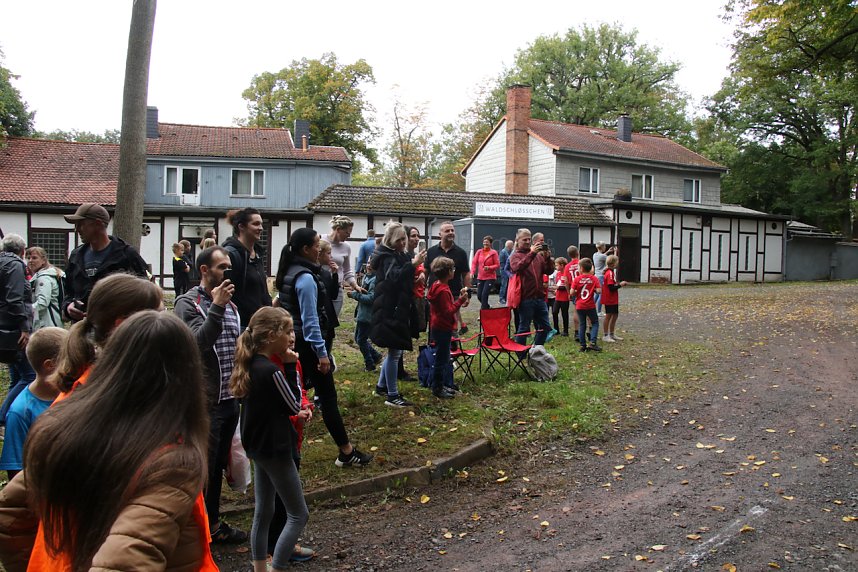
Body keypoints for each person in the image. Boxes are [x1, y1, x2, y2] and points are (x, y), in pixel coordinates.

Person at [0, 311, 215, 571]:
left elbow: (9, 514)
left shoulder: (67, 425)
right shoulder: (171, 462)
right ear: (188, 374)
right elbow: (126, 560)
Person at [275, 228, 372, 467]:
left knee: (295, 396)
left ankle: (287, 452)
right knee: (327, 398)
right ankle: (346, 452)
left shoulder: (290, 270)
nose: (321, 247)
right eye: (317, 244)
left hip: (292, 342)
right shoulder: (306, 278)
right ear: (307, 250)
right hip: (307, 345)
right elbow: (310, 321)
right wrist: (322, 353)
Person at [173, 245, 248, 545]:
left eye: (228, 267)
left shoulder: (232, 305)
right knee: (201, 468)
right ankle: (195, 531)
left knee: (217, 466)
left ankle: (211, 524)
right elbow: (196, 344)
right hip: (205, 403)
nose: (226, 273)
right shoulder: (187, 303)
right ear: (204, 270)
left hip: (230, 400)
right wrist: (215, 307)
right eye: (220, 267)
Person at [229, 307, 312, 572]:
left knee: (263, 512)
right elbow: (292, 403)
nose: (291, 337)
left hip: (257, 448)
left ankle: (259, 568)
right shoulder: (271, 371)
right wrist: (289, 365)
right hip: (276, 449)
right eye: (287, 331)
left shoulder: (250, 364)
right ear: (270, 336)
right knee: (299, 514)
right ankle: (276, 566)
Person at [53, 273, 164, 400]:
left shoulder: (131, 378)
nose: (166, 322)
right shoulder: (98, 394)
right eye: (158, 315)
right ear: (123, 325)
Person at [62, 203, 149, 322]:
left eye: (81, 224)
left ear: (98, 224)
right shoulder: (76, 256)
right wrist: (68, 307)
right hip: (82, 331)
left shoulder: (126, 255)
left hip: (116, 332)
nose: (77, 230)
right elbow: (68, 292)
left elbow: (145, 293)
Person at [0, 327, 67, 481]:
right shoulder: (21, 411)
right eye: (70, 359)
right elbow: (16, 472)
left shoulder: (74, 392)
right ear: (50, 365)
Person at [371, 222, 425, 407]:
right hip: (390, 309)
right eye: (400, 239)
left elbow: (400, 277)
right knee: (394, 352)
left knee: (394, 351)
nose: (404, 242)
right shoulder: (388, 257)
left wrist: (414, 275)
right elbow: (393, 277)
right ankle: (392, 395)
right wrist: (413, 265)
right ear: (391, 240)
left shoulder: (397, 254)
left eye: (405, 238)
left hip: (395, 307)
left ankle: (381, 387)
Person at [0, 234, 34, 435]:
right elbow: (14, 298)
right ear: (22, 251)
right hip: (12, 328)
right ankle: (4, 417)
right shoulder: (14, 266)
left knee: (16, 375)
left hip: (4, 326)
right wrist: (23, 327)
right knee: (29, 375)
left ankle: (8, 414)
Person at [426, 257, 468, 399]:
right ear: (448, 272)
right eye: (453, 269)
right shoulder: (443, 290)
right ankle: (437, 387)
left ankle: (441, 383)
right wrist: (461, 300)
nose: (454, 271)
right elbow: (448, 311)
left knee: (443, 357)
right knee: (441, 358)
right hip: (443, 328)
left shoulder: (436, 285)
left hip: (437, 326)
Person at [223, 207, 272, 328]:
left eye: (261, 224)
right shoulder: (231, 255)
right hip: (241, 326)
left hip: (260, 324)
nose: (260, 228)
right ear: (241, 227)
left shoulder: (258, 254)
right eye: (255, 224)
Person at [508, 228, 553, 348]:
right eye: (524, 239)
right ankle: (521, 354)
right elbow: (517, 268)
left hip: (539, 297)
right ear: (517, 240)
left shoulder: (538, 256)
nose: (528, 242)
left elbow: (548, 271)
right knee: (524, 328)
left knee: (544, 327)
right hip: (525, 298)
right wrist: (532, 253)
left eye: (529, 239)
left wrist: (548, 259)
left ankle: (536, 350)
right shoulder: (515, 256)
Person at [426, 221, 471, 334]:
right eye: (447, 231)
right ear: (440, 234)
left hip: (454, 293)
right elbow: (426, 271)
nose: (451, 233)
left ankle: (452, 346)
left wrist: (467, 293)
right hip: (435, 294)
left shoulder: (461, 253)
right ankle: (434, 345)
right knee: (435, 322)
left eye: (452, 230)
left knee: (451, 325)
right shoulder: (431, 252)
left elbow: (466, 273)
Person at [327, 215, 365, 317]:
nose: (348, 236)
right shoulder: (321, 240)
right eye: (347, 233)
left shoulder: (346, 247)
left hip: (337, 288)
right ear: (338, 229)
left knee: (332, 321)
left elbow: (347, 270)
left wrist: (355, 286)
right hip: (321, 286)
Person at [348, 271, 383, 372]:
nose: (368, 265)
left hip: (368, 316)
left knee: (361, 339)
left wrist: (355, 295)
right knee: (358, 338)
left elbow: (371, 298)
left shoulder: (375, 280)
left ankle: (370, 364)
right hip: (362, 314)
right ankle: (376, 356)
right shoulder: (367, 278)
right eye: (367, 262)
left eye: (371, 263)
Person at [27, 247, 64, 330]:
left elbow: (42, 302)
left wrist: (26, 309)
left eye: (34, 258)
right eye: (28, 258)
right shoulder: (45, 275)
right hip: (51, 323)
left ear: (43, 260)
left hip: (47, 324)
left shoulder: (43, 278)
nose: (30, 261)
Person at [572, 258, 602, 352]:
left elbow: (572, 292)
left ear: (581, 268)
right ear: (590, 269)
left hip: (580, 305)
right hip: (590, 305)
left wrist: (577, 291)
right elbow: (599, 291)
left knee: (582, 324)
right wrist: (593, 290)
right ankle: (592, 342)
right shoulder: (594, 278)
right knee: (595, 323)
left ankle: (582, 345)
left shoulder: (577, 279)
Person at [317, 239, 340, 355]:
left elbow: (334, 295)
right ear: (319, 254)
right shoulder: (312, 273)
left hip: (328, 317)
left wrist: (335, 274)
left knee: (328, 349)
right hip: (320, 318)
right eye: (328, 253)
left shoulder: (326, 273)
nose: (331, 256)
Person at [601, 254, 628, 343]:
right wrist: (620, 285)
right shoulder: (609, 273)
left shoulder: (611, 272)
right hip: (609, 299)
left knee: (615, 315)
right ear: (613, 263)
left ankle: (612, 333)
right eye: (617, 261)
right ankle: (605, 334)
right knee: (608, 316)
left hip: (613, 299)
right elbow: (611, 287)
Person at [471, 235, 499, 310]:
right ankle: (487, 307)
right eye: (484, 242)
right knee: (479, 296)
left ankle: (483, 313)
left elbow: (497, 265)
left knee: (484, 295)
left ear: (490, 243)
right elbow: (474, 262)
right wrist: (472, 272)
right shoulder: (479, 252)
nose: (485, 244)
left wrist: (489, 267)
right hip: (480, 277)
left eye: (487, 243)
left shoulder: (493, 253)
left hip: (490, 277)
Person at [593, 241, 615, 315]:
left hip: (596, 276)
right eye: (605, 246)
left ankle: (591, 308)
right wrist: (615, 252)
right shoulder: (603, 257)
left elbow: (602, 256)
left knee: (596, 294)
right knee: (601, 294)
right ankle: (599, 311)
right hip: (601, 276)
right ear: (602, 247)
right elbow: (611, 260)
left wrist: (608, 251)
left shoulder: (595, 255)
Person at [564, 246, 581, 342]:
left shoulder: (567, 266)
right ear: (577, 253)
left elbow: (566, 281)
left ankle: (577, 331)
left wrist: (568, 292)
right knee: (588, 309)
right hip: (583, 288)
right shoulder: (581, 263)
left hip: (573, 290)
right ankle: (589, 331)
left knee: (576, 310)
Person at [551, 257, 570, 337]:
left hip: (565, 297)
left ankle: (565, 331)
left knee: (564, 313)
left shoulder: (566, 273)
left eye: (557, 265)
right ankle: (556, 329)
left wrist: (558, 288)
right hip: (558, 297)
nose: (556, 267)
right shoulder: (558, 274)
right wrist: (556, 289)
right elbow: (558, 283)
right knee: (554, 312)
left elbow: (567, 286)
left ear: (562, 265)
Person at [498, 240, 514, 305]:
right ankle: (501, 299)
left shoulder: (509, 252)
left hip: (508, 271)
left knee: (507, 285)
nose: (513, 246)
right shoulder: (503, 252)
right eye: (512, 244)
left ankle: (506, 298)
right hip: (504, 271)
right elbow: (501, 263)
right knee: (504, 285)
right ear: (509, 245)